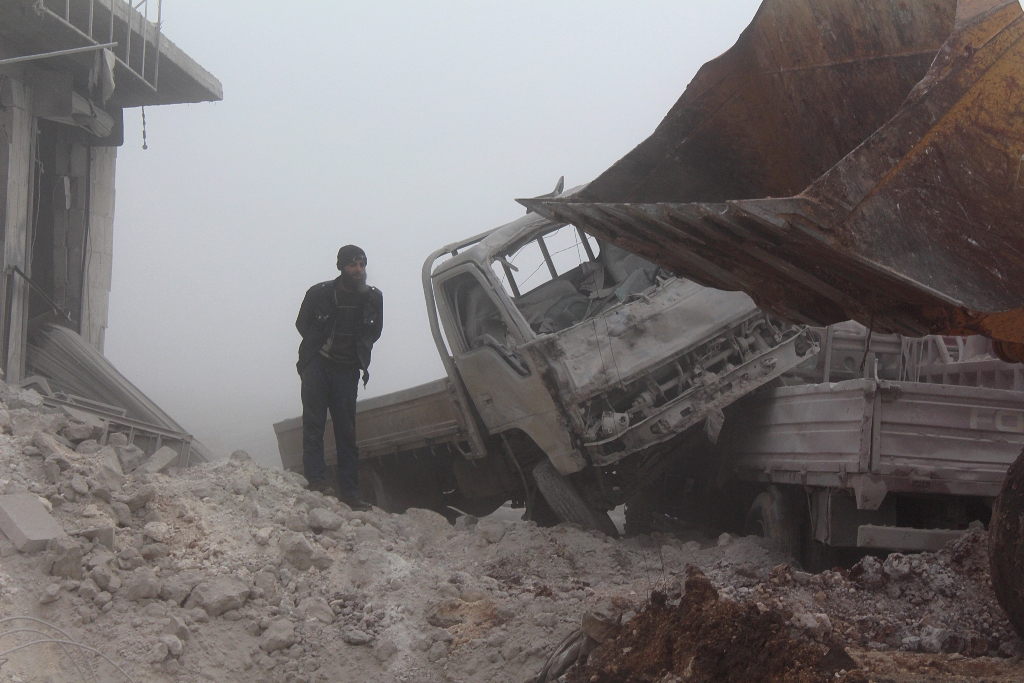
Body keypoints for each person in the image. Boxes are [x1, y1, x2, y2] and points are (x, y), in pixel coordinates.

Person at [295, 245, 383, 511]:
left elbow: (375, 331)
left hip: (347, 371)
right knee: (314, 424)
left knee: (347, 432)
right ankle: (316, 482)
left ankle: (350, 493)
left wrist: (355, 356)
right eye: (353, 265)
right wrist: (316, 352)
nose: (358, 270)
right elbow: (302, 324)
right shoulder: (320, 293)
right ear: (341, 267)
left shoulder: (373, 298)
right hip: (318, 365)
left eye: (362, 265)